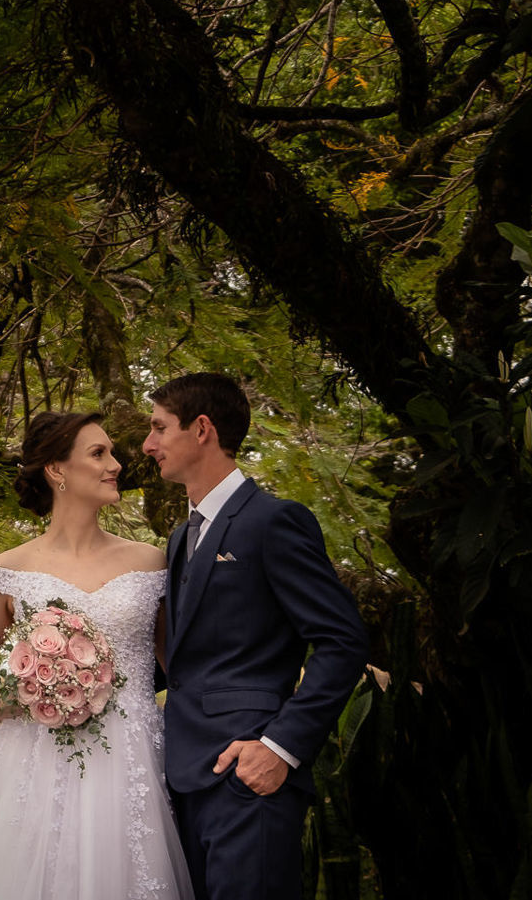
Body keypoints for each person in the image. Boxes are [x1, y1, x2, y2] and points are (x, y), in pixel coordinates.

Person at [0, 411, 195, 900]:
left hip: (132, 759)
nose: (117, 465)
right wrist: (9, 701)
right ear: (56, 469)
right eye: (99, 454)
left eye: (113, 453)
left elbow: (181, 670)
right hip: (36, 759)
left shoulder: (150, 562)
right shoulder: (9, 569)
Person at [148, 373, 367, 900]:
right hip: (181, 775)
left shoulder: (274, 521)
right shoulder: (179, 538)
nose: (148, 444)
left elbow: (342, 640)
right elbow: (183, 658)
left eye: (159, 427)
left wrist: (280, 747)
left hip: (248, 775)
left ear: (202, 429)